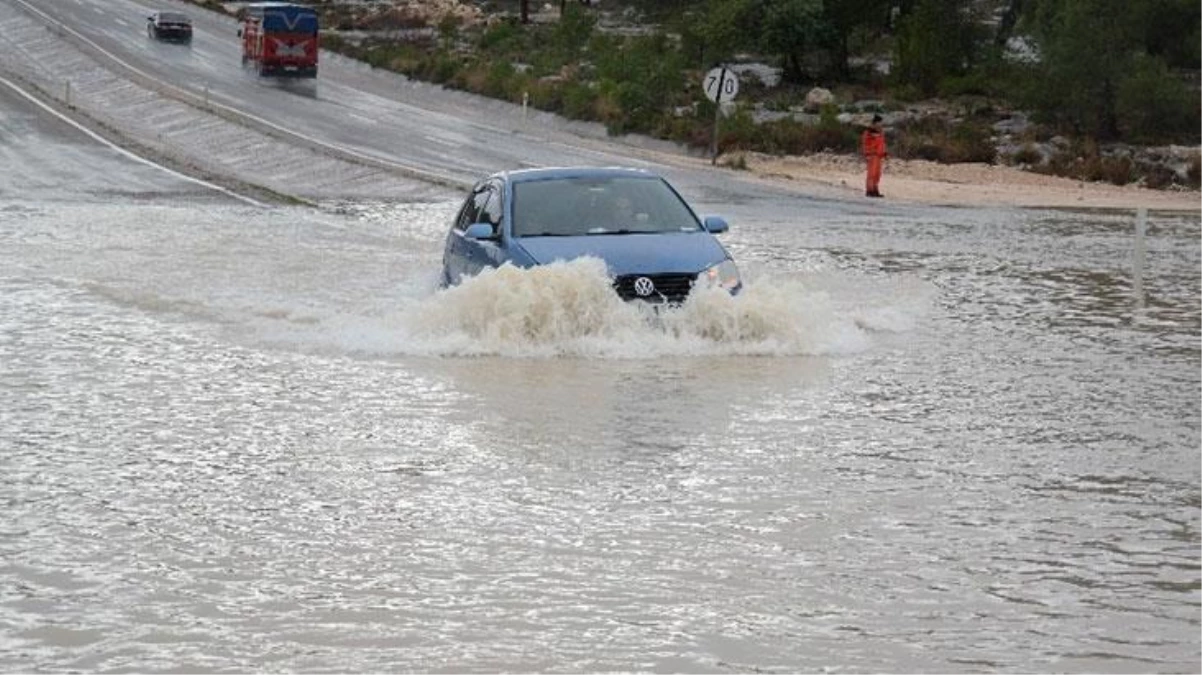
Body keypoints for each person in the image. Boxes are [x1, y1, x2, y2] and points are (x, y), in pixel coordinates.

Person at [862, 114, 887, 198]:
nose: (881, 124)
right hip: (872, 155)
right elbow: (866, 144)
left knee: (877, 174)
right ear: (875, 123)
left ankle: (875, 190)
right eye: (880, 123)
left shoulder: (880, 132)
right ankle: (870, 190)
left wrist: (884, 153)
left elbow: (882, 144)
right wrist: (867, 154)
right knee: (871, 174)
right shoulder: (869, 132)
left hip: (879, 155)